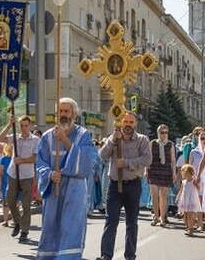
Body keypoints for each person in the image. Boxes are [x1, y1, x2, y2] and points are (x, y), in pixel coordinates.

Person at [35, 97, 94, 259]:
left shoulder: (83, 135)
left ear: (74, 113)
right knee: (51, 226)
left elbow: (86, 163)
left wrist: (65, 139)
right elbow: (40, 162)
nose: (63, 115)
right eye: (60, 111)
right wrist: (49, 174)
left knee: (71, 226)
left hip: (74, 189)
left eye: (66, 111)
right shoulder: (47, 137)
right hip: (53, 188)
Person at [97, 112, 152, 260]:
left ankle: (130, 255)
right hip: (114, 186)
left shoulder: (142, 140)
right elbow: (102, 155)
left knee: (131, 223)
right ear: (122, 123)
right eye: (125, 122)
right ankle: (106, 255)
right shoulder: (114, 137)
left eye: (131, 122)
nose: (128, 125)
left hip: (133, 185)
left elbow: (147, 159)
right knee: (111, 221)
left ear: (135, 124)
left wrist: (127, 163)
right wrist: (112, 142)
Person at [0, 114, 39, 243]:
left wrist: (23, 160)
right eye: (21, 125)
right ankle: (17, 222)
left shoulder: (36, 140)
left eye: (26, 125)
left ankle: (24, 231)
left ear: (30, 126)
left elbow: (36, 158)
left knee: (26, 205)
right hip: (13, 174)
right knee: (10, 200)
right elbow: (0, 138)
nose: (24, 128)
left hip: (27, 175)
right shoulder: (15, 137)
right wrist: (10, 124)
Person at [148, 124, 176, 226]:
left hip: (166, 171)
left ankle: (162, 218)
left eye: (166, 132)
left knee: (163, 195)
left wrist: (174, 173)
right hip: (154, 170)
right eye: (162, 132)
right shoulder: (153, 143)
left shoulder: (170, 144)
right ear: (158, 133)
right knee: (154, 195)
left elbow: (173, 160)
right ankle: (156, 216)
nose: (164, 135)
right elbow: (149, 158)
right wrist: (146, 170)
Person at [190, 132, 205, 232]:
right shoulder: (194, 152)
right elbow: (190, 167)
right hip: (197, 180)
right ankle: (199, 225)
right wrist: (193, 179)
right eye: (202, 138)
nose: (204, 140)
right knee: (198, 203)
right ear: (199, 139)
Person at [176, 164, 202, 237]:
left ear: (190, 173)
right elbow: (181, 190)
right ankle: (188, 226)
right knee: (186, 215)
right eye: (183, 173)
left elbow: (199, 188)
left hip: (191, 199)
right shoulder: (184, 182)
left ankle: (190, 229)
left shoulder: (193, 181)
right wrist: (178, 197)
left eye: (185, 173)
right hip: (184, 199)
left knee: (190, 214)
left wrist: (197, 184)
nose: (183, 174)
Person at [0, 143, 13, 227]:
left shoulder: (17, 159)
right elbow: (0, 173)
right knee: (5, 202)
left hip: (15, 183)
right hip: (5, 183)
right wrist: (0, 185)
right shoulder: (4, 159)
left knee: (16, 202)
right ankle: (6, 220)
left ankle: (14, 219)